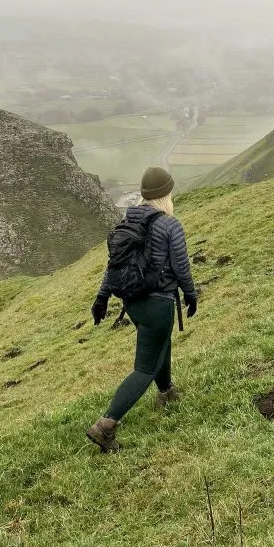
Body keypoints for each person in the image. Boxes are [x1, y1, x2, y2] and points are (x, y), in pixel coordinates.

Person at [86, 166, 198, 453]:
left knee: (159, 342)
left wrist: (102, 297)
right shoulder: (169, 225)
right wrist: (191, 293)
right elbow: (181, 266)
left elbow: (113, 266)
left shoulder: (129, 222)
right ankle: (105, 425)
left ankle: (167, 393)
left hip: (133, 303)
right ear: (165, 195)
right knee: (144, 367)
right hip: (158, 302)